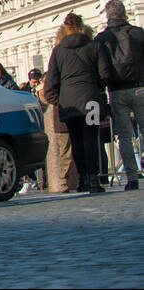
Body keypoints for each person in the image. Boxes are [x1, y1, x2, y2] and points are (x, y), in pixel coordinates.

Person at [44, 12, 107, 193]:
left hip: (69, 102)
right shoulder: (94, 46)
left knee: (77, 141)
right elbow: (105, 75)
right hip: (91, 100)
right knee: (91, 138)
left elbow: (51, 82)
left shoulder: (57, 51)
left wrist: (60, 100)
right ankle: (94, 179)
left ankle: (83, 180)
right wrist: (96, 88)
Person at [94, 0, 144, 191]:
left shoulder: (100, 39)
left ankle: (132, 178)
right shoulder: (138, 33)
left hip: (115, 90)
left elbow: (100, 68)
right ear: (124, 14)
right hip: (139, 86)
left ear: (107, 16)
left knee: (123, 135)